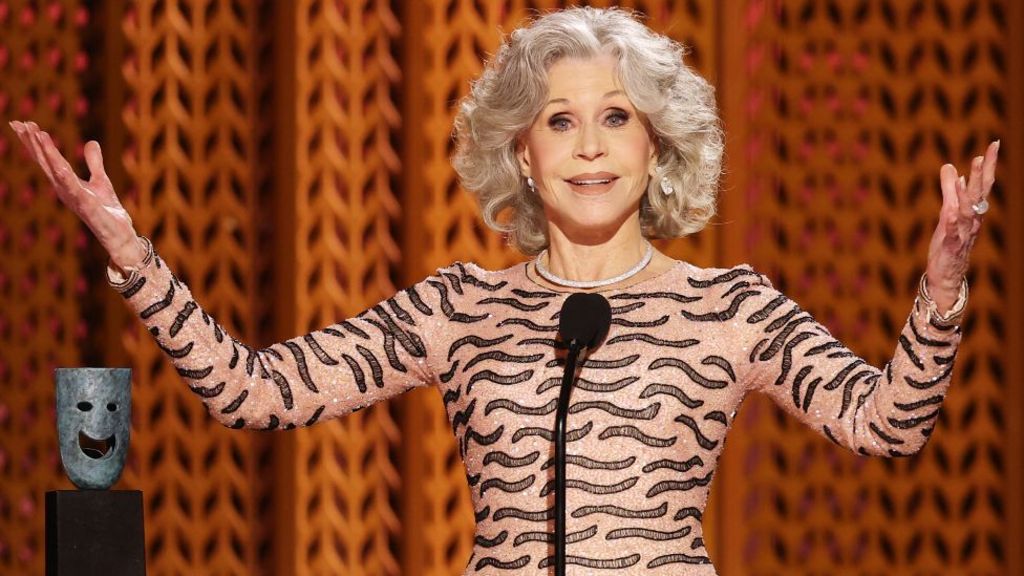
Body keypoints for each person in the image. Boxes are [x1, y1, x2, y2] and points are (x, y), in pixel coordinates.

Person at [9, 6, 998, 575]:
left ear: (654, 145)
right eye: (559, 122)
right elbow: (253, 391)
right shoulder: (457, 309)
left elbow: (888, 427)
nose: (590, 146)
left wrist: (939, 289)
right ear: (522, 153)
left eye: (616, 117)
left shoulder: (730, 306)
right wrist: (135, 258)